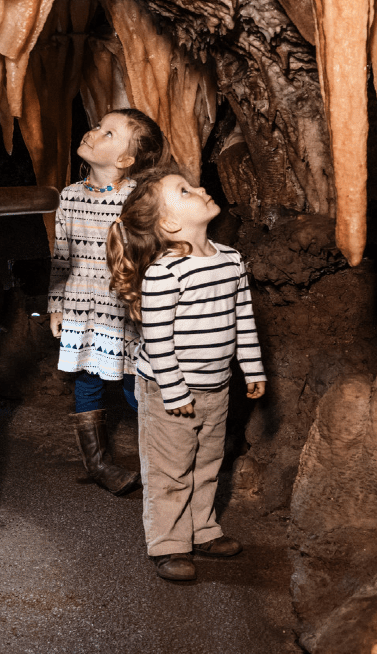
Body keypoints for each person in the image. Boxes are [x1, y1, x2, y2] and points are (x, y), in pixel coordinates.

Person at [107, 170, 266, 582]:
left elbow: (243, 318)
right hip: (167, 388)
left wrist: (252, 366)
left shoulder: (230, 259)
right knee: (170, 469)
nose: (200, 189)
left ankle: (202, 530)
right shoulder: (165, 273)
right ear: (170, 224)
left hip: (216, 385)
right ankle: (168, 543)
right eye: (184, 191)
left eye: (192, 185)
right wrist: (175, 392)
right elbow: (157, 340)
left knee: (207, 462)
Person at [48, 108, 170, 495]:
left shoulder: (138, 198)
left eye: (109, 132)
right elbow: (60, 256)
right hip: (83, 301)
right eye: (98, 125)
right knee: (87, 379)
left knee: (137, 380)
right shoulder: (68, 196)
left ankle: (165, 465)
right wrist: (56, 302)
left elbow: (154, 253)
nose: (93, 132)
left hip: (126, 303)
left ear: (125, 160)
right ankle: (98, 463)